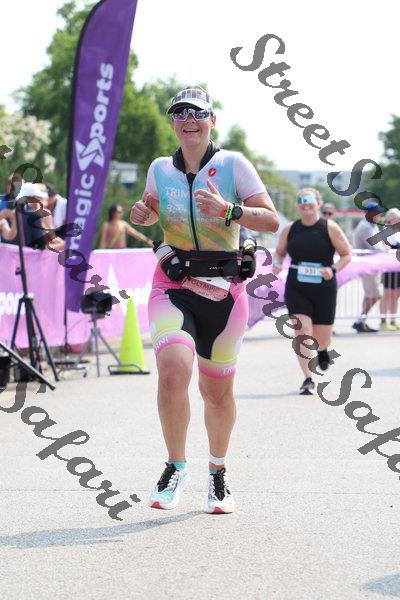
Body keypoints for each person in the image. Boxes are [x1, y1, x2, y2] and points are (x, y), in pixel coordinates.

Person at [130, 85, 279, 513]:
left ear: (212, 120)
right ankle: (176, 466)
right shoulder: (160, 168)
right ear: (172, 122)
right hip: (173, 284)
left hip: (225, 291)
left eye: (197, 113)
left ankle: (218, 472)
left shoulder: (233, 164)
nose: (189, 121)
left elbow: (271, 219)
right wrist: (144, 213)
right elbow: (150, 209)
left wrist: (229, 210)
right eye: (180, 113)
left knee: (217, 393)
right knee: (172, 371)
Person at [273, 188, 352, 395]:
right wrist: (277, 263)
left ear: (318, 203)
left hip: (324, 288)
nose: (305, 203)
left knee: (322, 338)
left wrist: (332, 269)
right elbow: (279, 253)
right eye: (301, 200)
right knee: (302, 331)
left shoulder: (329, 227)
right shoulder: (290, 229)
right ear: (297, 205)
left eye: (309, 200)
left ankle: (323, 350)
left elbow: (346, 254)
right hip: (297, 287)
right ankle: (308, 379)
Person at [352, 201, 387, 333]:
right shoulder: (366, 227)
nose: (379, 215)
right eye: (377, 212)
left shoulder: (370, 225)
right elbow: (376, 247)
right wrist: (387, 250)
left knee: (371, 295)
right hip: (368, 267)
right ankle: (360, 321)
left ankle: (361, 321)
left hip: (372, 266)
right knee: (374, 295)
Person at [380, 208, 400, 330]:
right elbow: (383, 247)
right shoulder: (386, 232)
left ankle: (393, 320)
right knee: (387, 294)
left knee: (396, 294)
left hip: (398, 268)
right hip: (389, 268)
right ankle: (383, 322)